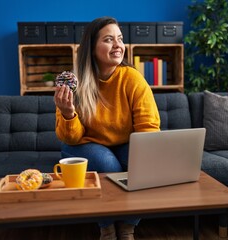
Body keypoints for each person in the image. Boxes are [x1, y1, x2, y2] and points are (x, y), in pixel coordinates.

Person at [54, 16, 160, 240]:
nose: (118, 45)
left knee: (147, 165)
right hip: (83, 145)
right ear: (92, 48)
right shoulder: (76, 83)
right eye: (109, 39)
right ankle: (107, 228)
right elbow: (70, 137)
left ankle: (128, 226)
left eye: (119, 39)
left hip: (123, 143)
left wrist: (146, 159)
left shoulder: (133, 79)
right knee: (106, 162)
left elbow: (148, 127)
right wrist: (67, 113)